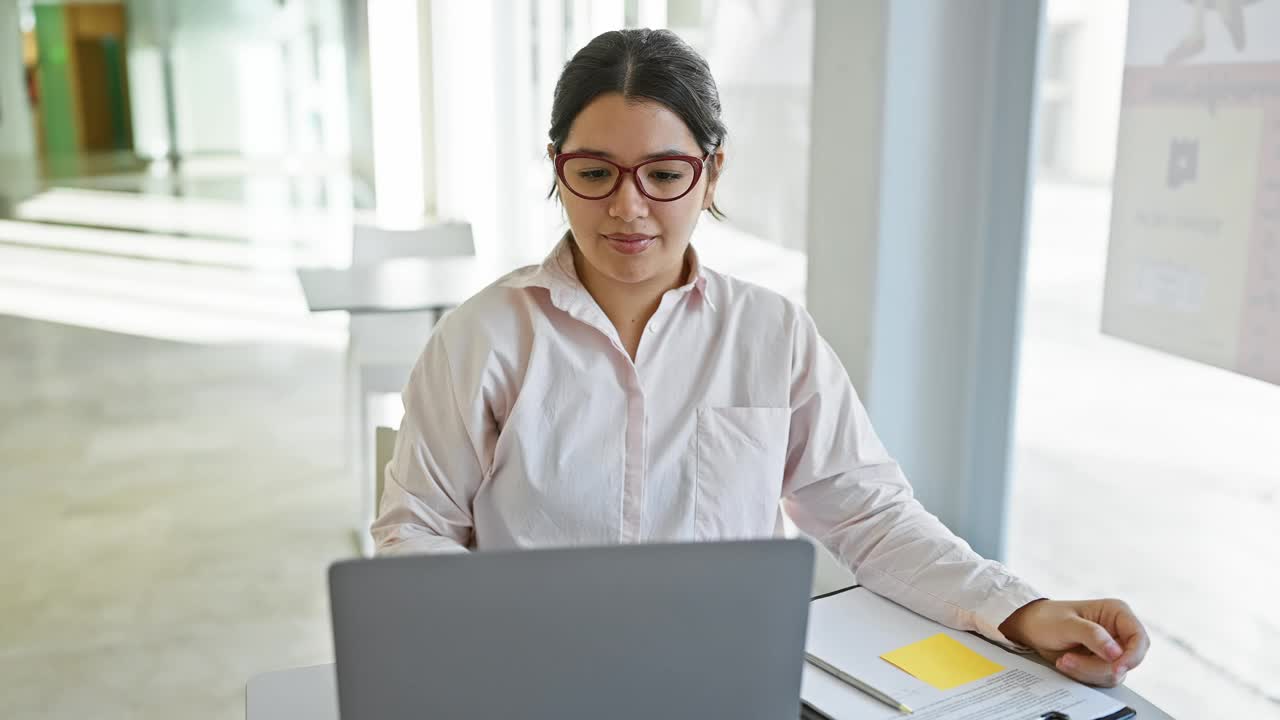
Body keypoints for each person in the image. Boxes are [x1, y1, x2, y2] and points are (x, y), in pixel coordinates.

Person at [372, 28, 1149, 688]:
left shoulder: (771, 334)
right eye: (595, 172)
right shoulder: (483, 338)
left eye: (666, 174)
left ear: (711, 171)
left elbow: (871, 517)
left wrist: (1024, 611)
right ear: (557, 167)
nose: (628, 206)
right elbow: (416, 530)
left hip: (727, 678)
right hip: (537, 678)